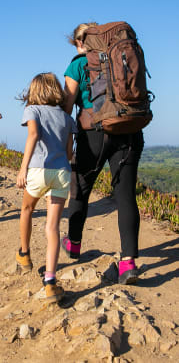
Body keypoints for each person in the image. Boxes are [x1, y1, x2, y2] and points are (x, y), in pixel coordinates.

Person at [62, 22, 144, 285]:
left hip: (93, 133)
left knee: (80, 188)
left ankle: (74, 244)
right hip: (129, 128)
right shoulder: (121, 56)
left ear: (80, 41)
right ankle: (128, 263)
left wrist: (64, 142)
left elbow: (66, 107)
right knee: (126, 195)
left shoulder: (77, 64)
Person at [16, 72, 77, 303]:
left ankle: (24, 254)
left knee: (27, 210)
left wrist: (23, 169)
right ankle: (50, 281)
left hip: (39, 170)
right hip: (62, 172)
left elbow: (33, 135)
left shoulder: (33, 110)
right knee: (53, 227)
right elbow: (70, 152)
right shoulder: (66, 117)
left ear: (35, 91)